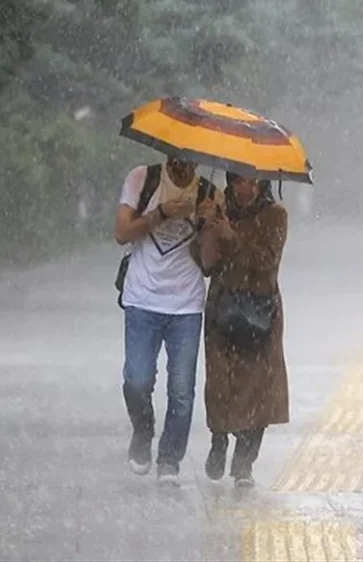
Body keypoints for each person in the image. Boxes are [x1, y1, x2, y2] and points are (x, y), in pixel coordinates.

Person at [114, 156, 219, 485]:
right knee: (137, 379)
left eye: (192, 160)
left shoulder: (209, 193)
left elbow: (211, 263)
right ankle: (143, 430)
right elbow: (122, 233)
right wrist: (161, 213)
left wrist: (207, 225)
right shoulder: (143, 178)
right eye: (179, 158)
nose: (185, 167)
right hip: (142, 300)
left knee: (182, 389)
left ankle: (170, 459)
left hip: (186, 305)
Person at [193, 172, 289, 488]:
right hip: (223, 307)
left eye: (251, 181)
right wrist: (206, 227)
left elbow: (265, 260)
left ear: (262, 184)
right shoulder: (218, 207)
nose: (243, 188)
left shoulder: (275, 215)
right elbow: (205, 264)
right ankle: (219, 439)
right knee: (220, 380)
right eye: (237, 180)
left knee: (258, 389)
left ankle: (244, 463)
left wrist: (231, 235)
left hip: (260, 310)